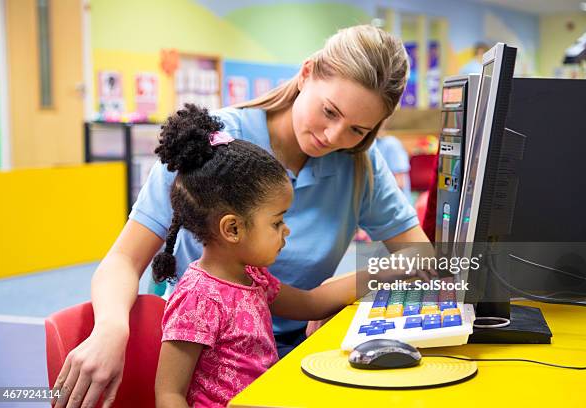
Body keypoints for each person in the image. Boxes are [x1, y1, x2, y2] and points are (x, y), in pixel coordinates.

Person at [51, 24, 432, 408]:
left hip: (292, 357)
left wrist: (341, 301)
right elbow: (123, 259)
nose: (333, 137)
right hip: (200, 360)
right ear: (306, 73)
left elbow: (418, 255)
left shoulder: (360, 164)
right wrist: (111, 328)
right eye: (329, 111)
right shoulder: (214, 143)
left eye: (357, 129)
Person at [153, 105, 381, 407]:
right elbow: (169, 393)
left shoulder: (252, 277)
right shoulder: (199, 298)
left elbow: (311, 302)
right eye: (277, 222)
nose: (286, 231)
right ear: (233, 228)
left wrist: (383, 274)